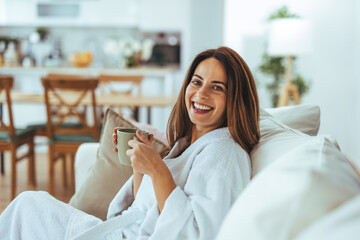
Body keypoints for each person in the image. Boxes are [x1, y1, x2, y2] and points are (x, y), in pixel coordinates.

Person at [0, 46, 260, 240]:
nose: (201, 94)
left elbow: (198, 232)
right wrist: (140, 167)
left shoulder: (224, 153)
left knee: (28, 206)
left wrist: (157, 170)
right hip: (123, 233)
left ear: (235, 99)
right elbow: (146, 208)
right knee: (29, 206)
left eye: (217, 88)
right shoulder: (189, 144)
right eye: (196, 81)